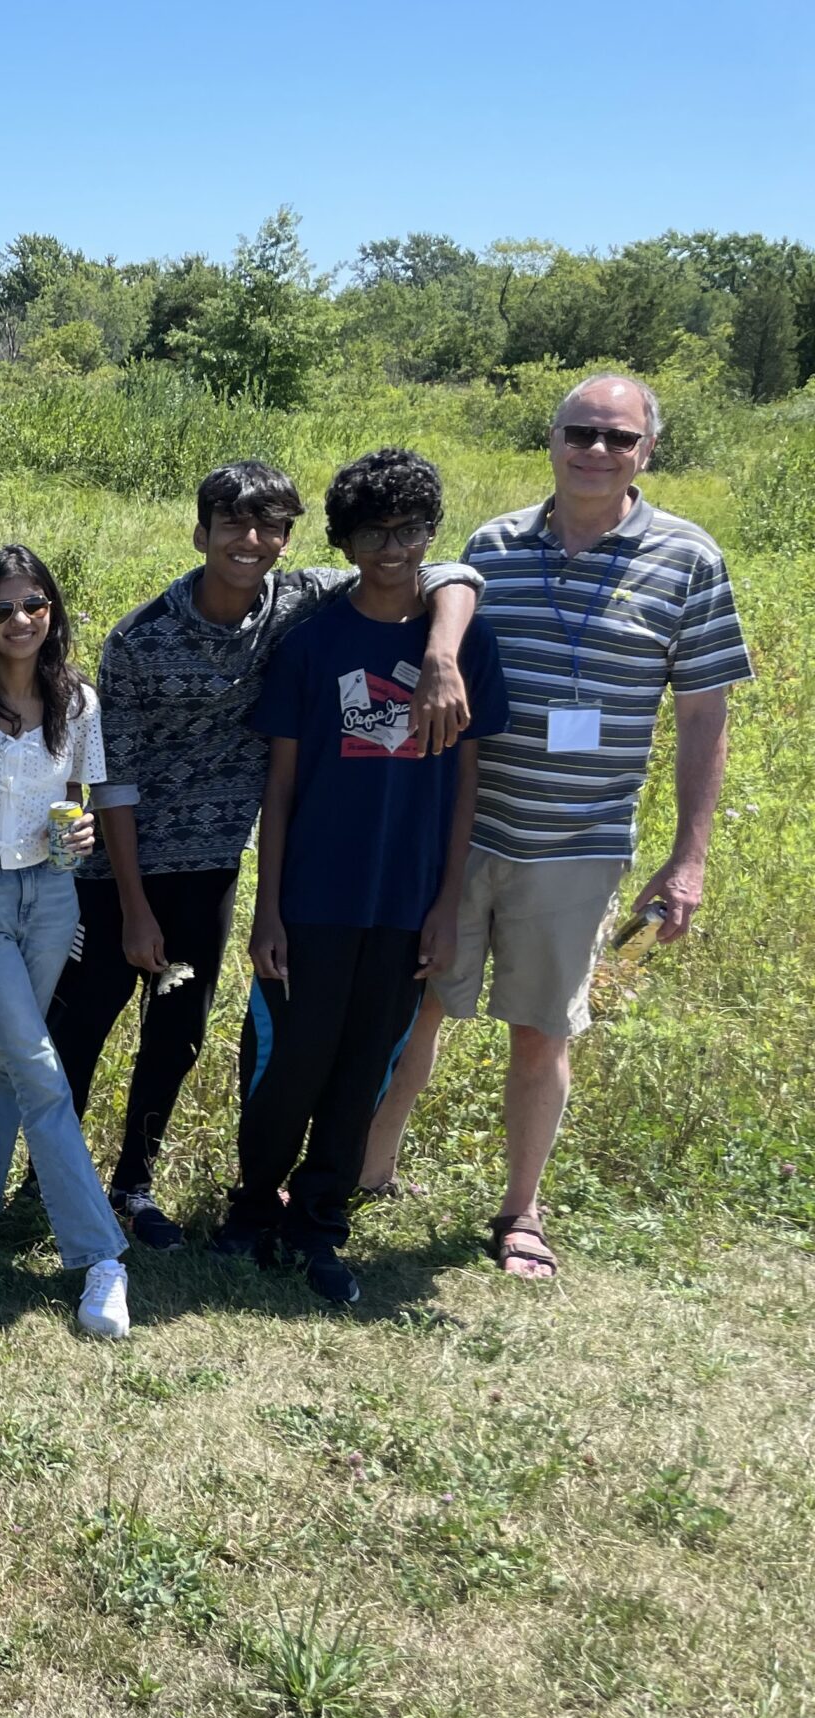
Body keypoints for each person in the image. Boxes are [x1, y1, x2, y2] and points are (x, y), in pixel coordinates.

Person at [362, 375, 751, 1278]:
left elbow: (703, 716)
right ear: (553, 439)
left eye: (619, 438)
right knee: (413, 1008)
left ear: (647, 450)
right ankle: (366, 1174)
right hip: (462, 831)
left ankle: (521, 1213)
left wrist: (687, 859)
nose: (597, 451)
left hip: (576, 847)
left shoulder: (689, 559)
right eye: (582, 432)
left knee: (542, 1031)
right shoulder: (492, 544)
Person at [44, 461, 485, 1249]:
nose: (251, 542)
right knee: (80, 1030)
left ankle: (133, 1185)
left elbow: (438, 567)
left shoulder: (300, 599)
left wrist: (446, 650)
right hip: (117, 873)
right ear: (200, 532)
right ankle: (49, 1184)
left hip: (211, 866)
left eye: (270, 527)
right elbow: (112, 778)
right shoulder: (141, 638)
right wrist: (134, 905)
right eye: (233, 525)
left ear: (287, 538)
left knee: (175, 1036)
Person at [215, 450, 509, 1302]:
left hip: (406, 902)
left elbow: (466, 787)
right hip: (311, 899)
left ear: (430, 532)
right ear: (344, 542)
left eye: (411, 529)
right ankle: (250, 1208)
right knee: (286, 1061)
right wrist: (267, 911)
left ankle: (320, 1223)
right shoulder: (311, 645)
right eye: (374, 532)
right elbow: (280, 783)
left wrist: (447, 906)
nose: (394, 548)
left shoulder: (463, 646)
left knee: (361, 1070)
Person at [0, 547, 131, 1339]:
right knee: (40, 1068)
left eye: (34, 604)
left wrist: (76, 834)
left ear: (53, 610)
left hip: (51, 896)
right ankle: (100, 1256)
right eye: (2, 608)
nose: (21, 621)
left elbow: (77, 796)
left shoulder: (76, 698)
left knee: (10, 1062)